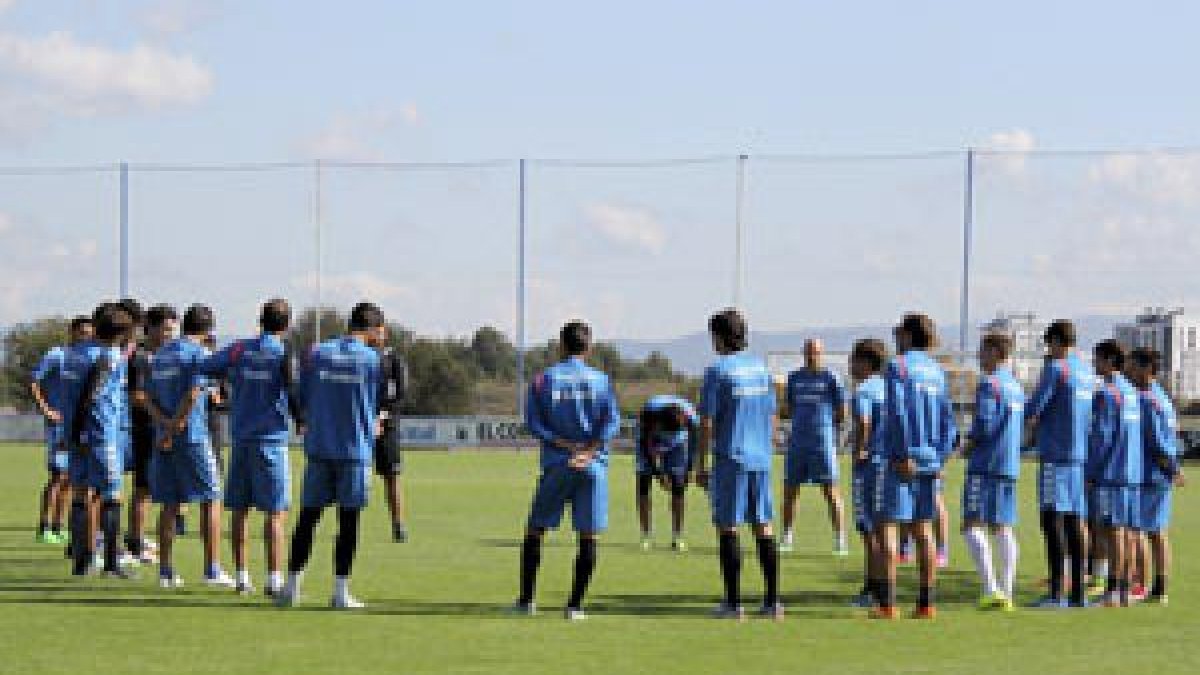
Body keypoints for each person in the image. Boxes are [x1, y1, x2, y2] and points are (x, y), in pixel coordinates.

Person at [277, 302, 386, 610]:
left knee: (308, 518)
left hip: (320, 447)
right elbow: (378, 402)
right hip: (354, 451)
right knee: (348, 522)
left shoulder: (317, 353)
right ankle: (340, 592)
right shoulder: (373, 360)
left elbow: (300, 395)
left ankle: (292, 586)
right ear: (373, 329)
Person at [513, 321, 620, 620]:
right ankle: (574, 606)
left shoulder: (543, 380)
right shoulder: (602, 381)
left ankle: (527, 601)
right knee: (588, 536)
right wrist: (589, 451)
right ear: (589, 347)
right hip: (592, 465)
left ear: (560, 344)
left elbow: (534, 423)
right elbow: (612, 423)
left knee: (536, 530)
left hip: (558, 463)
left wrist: (562, 443)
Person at [202, 299, 301, 596]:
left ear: (260, 320)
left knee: (240, 511)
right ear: (286, 325)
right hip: (271, 441)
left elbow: (207, 365)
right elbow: (296, 390)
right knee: (275, 512)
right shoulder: (283, 352)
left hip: (242, 440)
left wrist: (229, 380)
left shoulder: (239, 349)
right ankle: (274, 579)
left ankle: (243, 577)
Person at [694, 308, 782, 621]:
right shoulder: (761, 369)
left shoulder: (718, 372)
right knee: (763, 527)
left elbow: (706, 421)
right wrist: (769, 444)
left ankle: (733, 604)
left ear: (717, 337)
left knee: (728, 526)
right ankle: (773, 603)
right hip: (761, 458)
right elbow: (773, 413)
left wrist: (700, 464)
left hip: (731, 456)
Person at [142, 304, 234, 589]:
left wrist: (164, 425)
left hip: (163, 437)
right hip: (192, 436)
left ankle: (166, 571)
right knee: (211, 498)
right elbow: (194, 393)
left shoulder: (161, 355)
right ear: (209, 330)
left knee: (169, 503)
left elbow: (147, 398)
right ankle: (212, 569)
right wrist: (178, 423)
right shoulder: (200, 355)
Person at [873, 313, 957, 620]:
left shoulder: (898, 366)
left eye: (898, 331)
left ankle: (888, 604)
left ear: (908, 335)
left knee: (888, 527)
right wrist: (941, 456)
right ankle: (926, 603)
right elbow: (949, 420)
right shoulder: (937, 371)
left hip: (901, 458)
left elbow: (897, 412)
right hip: (930, 459)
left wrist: (902, 453)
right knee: (924, 530)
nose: (895, 336)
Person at [1024, 320, 1094, 608]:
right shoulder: (1085, 371)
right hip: (1079, 458)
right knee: (1075, 523)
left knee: (1051, 522)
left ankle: (1056, 594)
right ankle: (1078, 593)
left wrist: (1028, 423)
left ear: (1054, 342)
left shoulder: (1057, 369)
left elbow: (1035, 406)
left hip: (1055, 456)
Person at [62, 302, 134, 577]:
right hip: (101, 432)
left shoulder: (71, 354)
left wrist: (74, 431)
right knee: (112, 495)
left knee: (80, 493)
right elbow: (91, 395)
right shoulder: (108, 356)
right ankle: (112, 564)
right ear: (120, 334)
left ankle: (80, 562)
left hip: (75, 433)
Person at [961, 333, 1024, 611]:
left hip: (985, 465)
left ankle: (990, 589)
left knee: (971, 524)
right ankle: (1007, 591)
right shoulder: (1016, 387)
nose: (978, 356)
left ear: (997, 354)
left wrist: (968, 444)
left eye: (983, 351)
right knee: (1002, 527)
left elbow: (984, 424)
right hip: (1008, 464)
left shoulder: (989, 384)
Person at [1087, 339, 1143, 608]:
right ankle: (1122, 591)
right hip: (1132, 473)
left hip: (1111, 474)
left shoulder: (1107, 393)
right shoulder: (1132, 392)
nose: (1094, 364)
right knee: (1128, 533)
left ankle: (1112, 592)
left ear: (1109, 361)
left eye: (1097, 359)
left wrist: (1091, 472)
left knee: (1113, 532)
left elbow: (1102, 437)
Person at [779, 339, 848, 556]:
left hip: (822, 442)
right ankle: (787, 536)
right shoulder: (794, 378)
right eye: (809, 352)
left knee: (831, 491)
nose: (812, 356)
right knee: (791, 491)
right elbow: (787, 409)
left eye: (816, 352)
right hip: (798, 442)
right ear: (803, 353)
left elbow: (842, 411)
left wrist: (827, 428)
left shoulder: (832, 378)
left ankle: (840, 539)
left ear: (822, 354)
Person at [1128, 347, 1184, 605]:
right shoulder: (1163, 397)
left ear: (1146, 369)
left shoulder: (1145, 399)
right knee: (1158, 532)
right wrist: (1174, 468)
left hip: (1149, 473)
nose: (1128, 370)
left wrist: (1169, 468)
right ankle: (1160, 588)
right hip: (1161, 472)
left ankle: (1139, 586)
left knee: (1137, 530)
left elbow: (1156, 440)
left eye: (1133, 365)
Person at [31, 315, 93, 544]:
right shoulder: (57, 355)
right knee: (57, 476)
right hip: (58, 425)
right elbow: (34, 381)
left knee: (70, 478)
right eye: (82, 333)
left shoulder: (85, 359)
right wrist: (46, 409)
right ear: (72, 333)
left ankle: (59, 525)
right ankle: (44, 526)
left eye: (90, 334)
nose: (86, 337)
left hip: (76, 425)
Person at [847, 338, 888, 608]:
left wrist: (859, 449)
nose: (851, 365)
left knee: (868, 529)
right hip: (889, 465)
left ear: (866, 363)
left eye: (854, 359)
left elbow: (864, 421)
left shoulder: (863, 391)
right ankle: (883, 586)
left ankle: (872, 589)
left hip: (869, 467)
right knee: (885, 529)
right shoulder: (889, 388)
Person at [120, 298, 158, 565]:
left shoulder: (134, 352)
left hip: (129, 425)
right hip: (135, 426)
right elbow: (137, 395)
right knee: (140, 488)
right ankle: (131, 542)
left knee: (141, 488)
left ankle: (132, 539)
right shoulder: (136, 355)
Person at [634, 394, 698, 551]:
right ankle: (646, 536)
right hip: (650, 439)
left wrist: (690, 469)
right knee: (643, 484)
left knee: (678, 487)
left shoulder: (690, 418)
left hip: (678, 445)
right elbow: (646, 445)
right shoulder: (648, 415)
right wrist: (659, 474)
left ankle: (677, 537)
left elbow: (693, 445)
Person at [375, 344, 411, 543]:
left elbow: (400, 395)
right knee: (352, 474)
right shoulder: (362, 356)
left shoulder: (394, 360)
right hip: (361, 424)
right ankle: (347, 524)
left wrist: (381, 418)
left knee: (392, 477)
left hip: (387, 427)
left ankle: (398, 525)